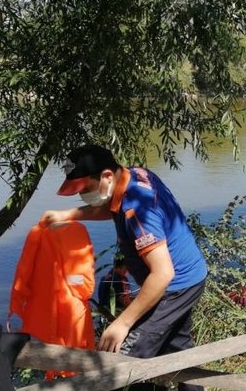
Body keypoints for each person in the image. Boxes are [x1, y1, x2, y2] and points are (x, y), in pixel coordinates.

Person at [41, 145, 207, 391]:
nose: (83, 195)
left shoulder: (137, 209)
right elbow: (109, 208)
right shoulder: (135, 175)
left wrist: (122, 323)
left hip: (174, 285)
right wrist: (67, 215)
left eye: (86, 188)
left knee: (125, 359)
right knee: (177, 351)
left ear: (107, 176)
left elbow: (163, 274)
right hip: (191, 275)